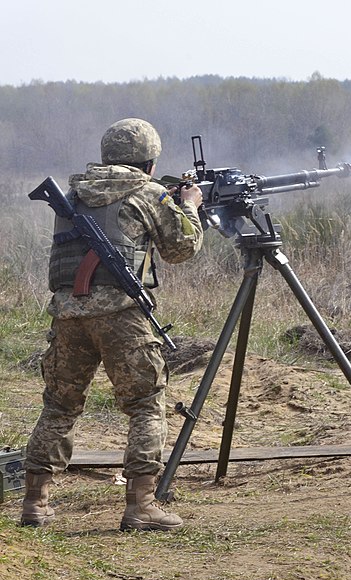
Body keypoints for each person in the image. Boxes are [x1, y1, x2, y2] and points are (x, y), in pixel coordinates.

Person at [21, 118, 203, 531]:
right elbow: (181, 248)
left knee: (60, 405)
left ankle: (35, 502)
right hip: (120, 314)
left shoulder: (74, 193)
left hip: (68, 314)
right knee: (144, 404)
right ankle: (141, 505)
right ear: (149, 161)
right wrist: (188, 205)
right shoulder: (148, 193)